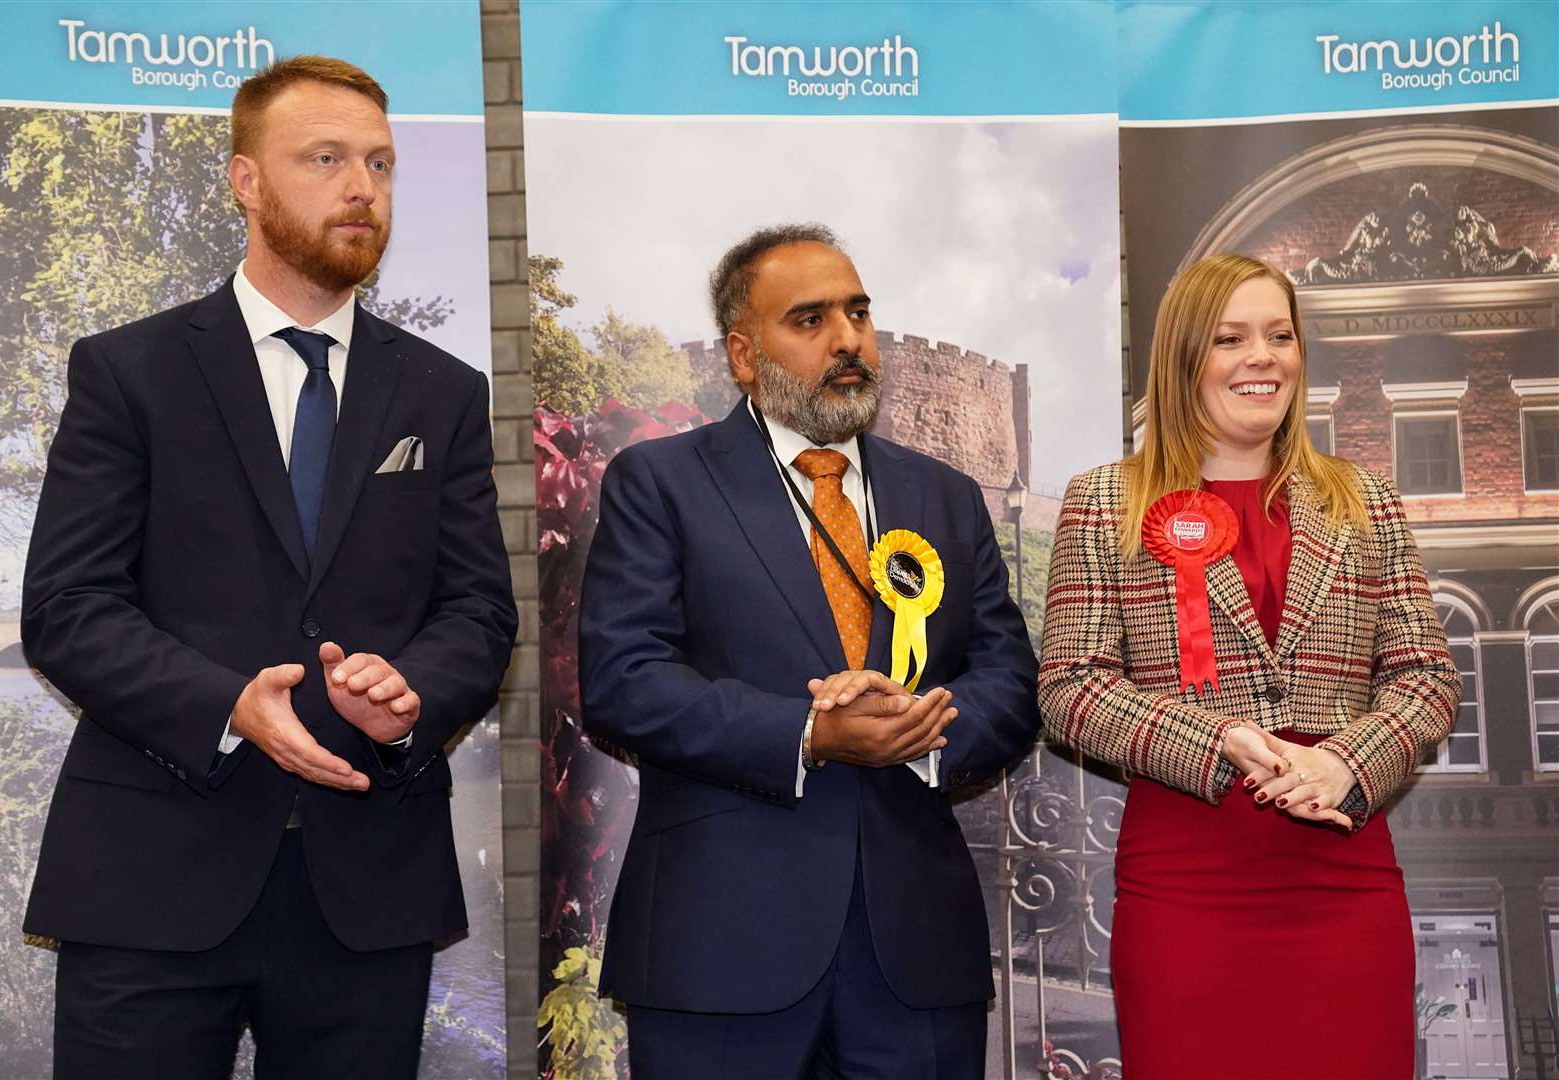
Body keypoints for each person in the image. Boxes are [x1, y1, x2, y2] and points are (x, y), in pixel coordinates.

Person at [20, 55, 517, 1079]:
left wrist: (412, 693)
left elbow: (478, 612)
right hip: (150, 881)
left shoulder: (444, 393)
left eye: (380, 163)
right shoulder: (129, 372)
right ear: (246, 180)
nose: (361, 189)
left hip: (368, 888)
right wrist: (225, 704)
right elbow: (68, 607)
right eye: (326, 159)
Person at [578, 223, 1040, 1078]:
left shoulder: (942, 495)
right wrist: (809, 734)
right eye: (811, 319)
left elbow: (1010, 678)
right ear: (746, 356)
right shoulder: (660, 482)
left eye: (859, 313)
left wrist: (926, 725)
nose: (848, 338)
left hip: (916, 956)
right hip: (719, 951)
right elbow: (623, 681)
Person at [1039, 253, 1460, 1076]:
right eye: (1231, 338)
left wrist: (1348, 759)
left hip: (1346, 884)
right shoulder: (1103, 502)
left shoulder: (1362, 499)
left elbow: (1427, 678)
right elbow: (1070, 691)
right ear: (1183, 360)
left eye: (1279, 335)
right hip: (1186, 888)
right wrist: (1216, 738)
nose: (1262, 357)